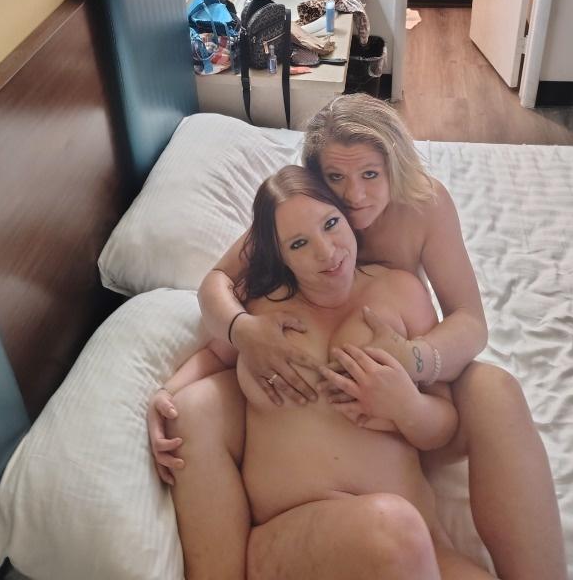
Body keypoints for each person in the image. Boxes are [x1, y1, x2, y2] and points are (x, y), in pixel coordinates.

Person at [149, 94, 566, 580]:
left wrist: (411, 365)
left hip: (403, 411)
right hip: (322, 516)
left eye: (370, 174)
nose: (354, 196)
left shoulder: (417, 226)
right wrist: (236, 337)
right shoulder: (292, 226)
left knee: (496, 391)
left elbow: (470, 323)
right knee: (391, 530)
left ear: (394, 164)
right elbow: (218, 291)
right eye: (335, 178)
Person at [154, 165, 495, 580]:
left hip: (416, 543)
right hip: (301, 539)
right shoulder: (260, 311)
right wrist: (166, 393)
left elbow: (443, 424)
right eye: (299, 243)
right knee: (393, 530)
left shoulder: (403, 291)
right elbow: (214, 356)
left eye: (331, 224)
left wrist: (405, 406)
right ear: (280, 255)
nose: (326, 252)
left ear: (348, 217)